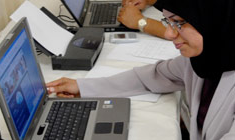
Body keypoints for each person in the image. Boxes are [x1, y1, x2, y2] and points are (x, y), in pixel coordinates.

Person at [46, 0, 235, 139]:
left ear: (213, 19)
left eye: (179, 22)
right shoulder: (206, 59)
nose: (170, 33)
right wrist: (82, 87)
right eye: (168, 22)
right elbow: (151, 76)